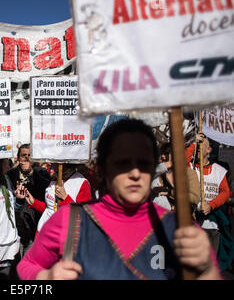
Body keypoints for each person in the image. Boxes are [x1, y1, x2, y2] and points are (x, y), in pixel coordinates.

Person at [17, 118, 221, 280]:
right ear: (102, 169)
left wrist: (206, 270)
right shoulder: (70, 222)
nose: (135, 173)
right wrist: (46, 275)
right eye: (123, 163)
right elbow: (27, 266)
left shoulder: (182, 230)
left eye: (144, 163)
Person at [187, 132, 231, 254]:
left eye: (201, 145)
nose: (198, 148)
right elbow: (182, 160)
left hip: (211, 226)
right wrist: (193, 143)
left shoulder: (219, 171)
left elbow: (225, 192)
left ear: (209, 149)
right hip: (193, 222)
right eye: (197, 146)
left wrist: (211, 205)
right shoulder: (190, 167)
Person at [6, 144, 51, 256]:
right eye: (23, 155)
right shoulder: (11, 174)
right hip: (16, 226)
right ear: (18, 158)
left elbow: (44, 191)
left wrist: (31, 173)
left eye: (29, 155)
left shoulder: (41, 172)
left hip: (33, 224)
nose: (26, 158)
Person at [25, 163, 92, 235]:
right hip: (44, 232)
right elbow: (51, 208)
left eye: (56, 162)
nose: (52, 164)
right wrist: (33, 203)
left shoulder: (81, 183)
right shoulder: (55, 179)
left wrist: (65, 198)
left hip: (64, 237)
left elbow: (83, 216)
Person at [151, 142, 200, 212]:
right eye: (162, 153)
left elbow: (195, 198)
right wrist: (165, 166)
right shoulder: (158, 174)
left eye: (166, 153)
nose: (163, 156)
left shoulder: (189, 173)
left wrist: (170, 192)